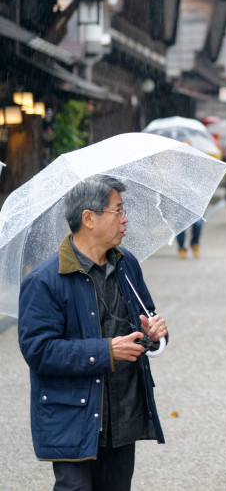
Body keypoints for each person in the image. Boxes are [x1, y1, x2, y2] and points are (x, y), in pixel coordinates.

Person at [18, 175, 167, 491]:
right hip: (73, 416)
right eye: (118, 210)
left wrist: (155, 333)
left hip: (123, 410)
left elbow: (147, 321)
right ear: (89, 218)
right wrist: (106, 352)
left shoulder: (128, 265)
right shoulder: (45, 280)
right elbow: (39, 351)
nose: (125, 219)